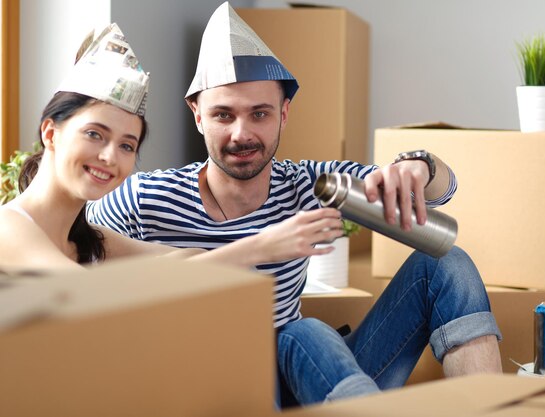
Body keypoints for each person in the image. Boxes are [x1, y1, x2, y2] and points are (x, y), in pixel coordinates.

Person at [88, 2, 502, 408]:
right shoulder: (144, 200)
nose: (241, 133)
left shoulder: (311, 185)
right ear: (197, 115)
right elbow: (73, 264)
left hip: (318, 379)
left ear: (284, 114)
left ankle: (491, 407)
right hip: (210, 386)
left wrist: (419, 166)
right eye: (223, 115)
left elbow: (442, 191)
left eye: (260, 114)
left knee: (440, 267)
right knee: (285, 337)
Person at [0, 23, 343, 273]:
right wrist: (257, 248)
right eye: (94, 134)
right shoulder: (10, 228)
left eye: (127, 145)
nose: (109, 157)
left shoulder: (92, 240)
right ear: (50, 132)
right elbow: (86, 298)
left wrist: (256, 247)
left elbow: (180, 260)